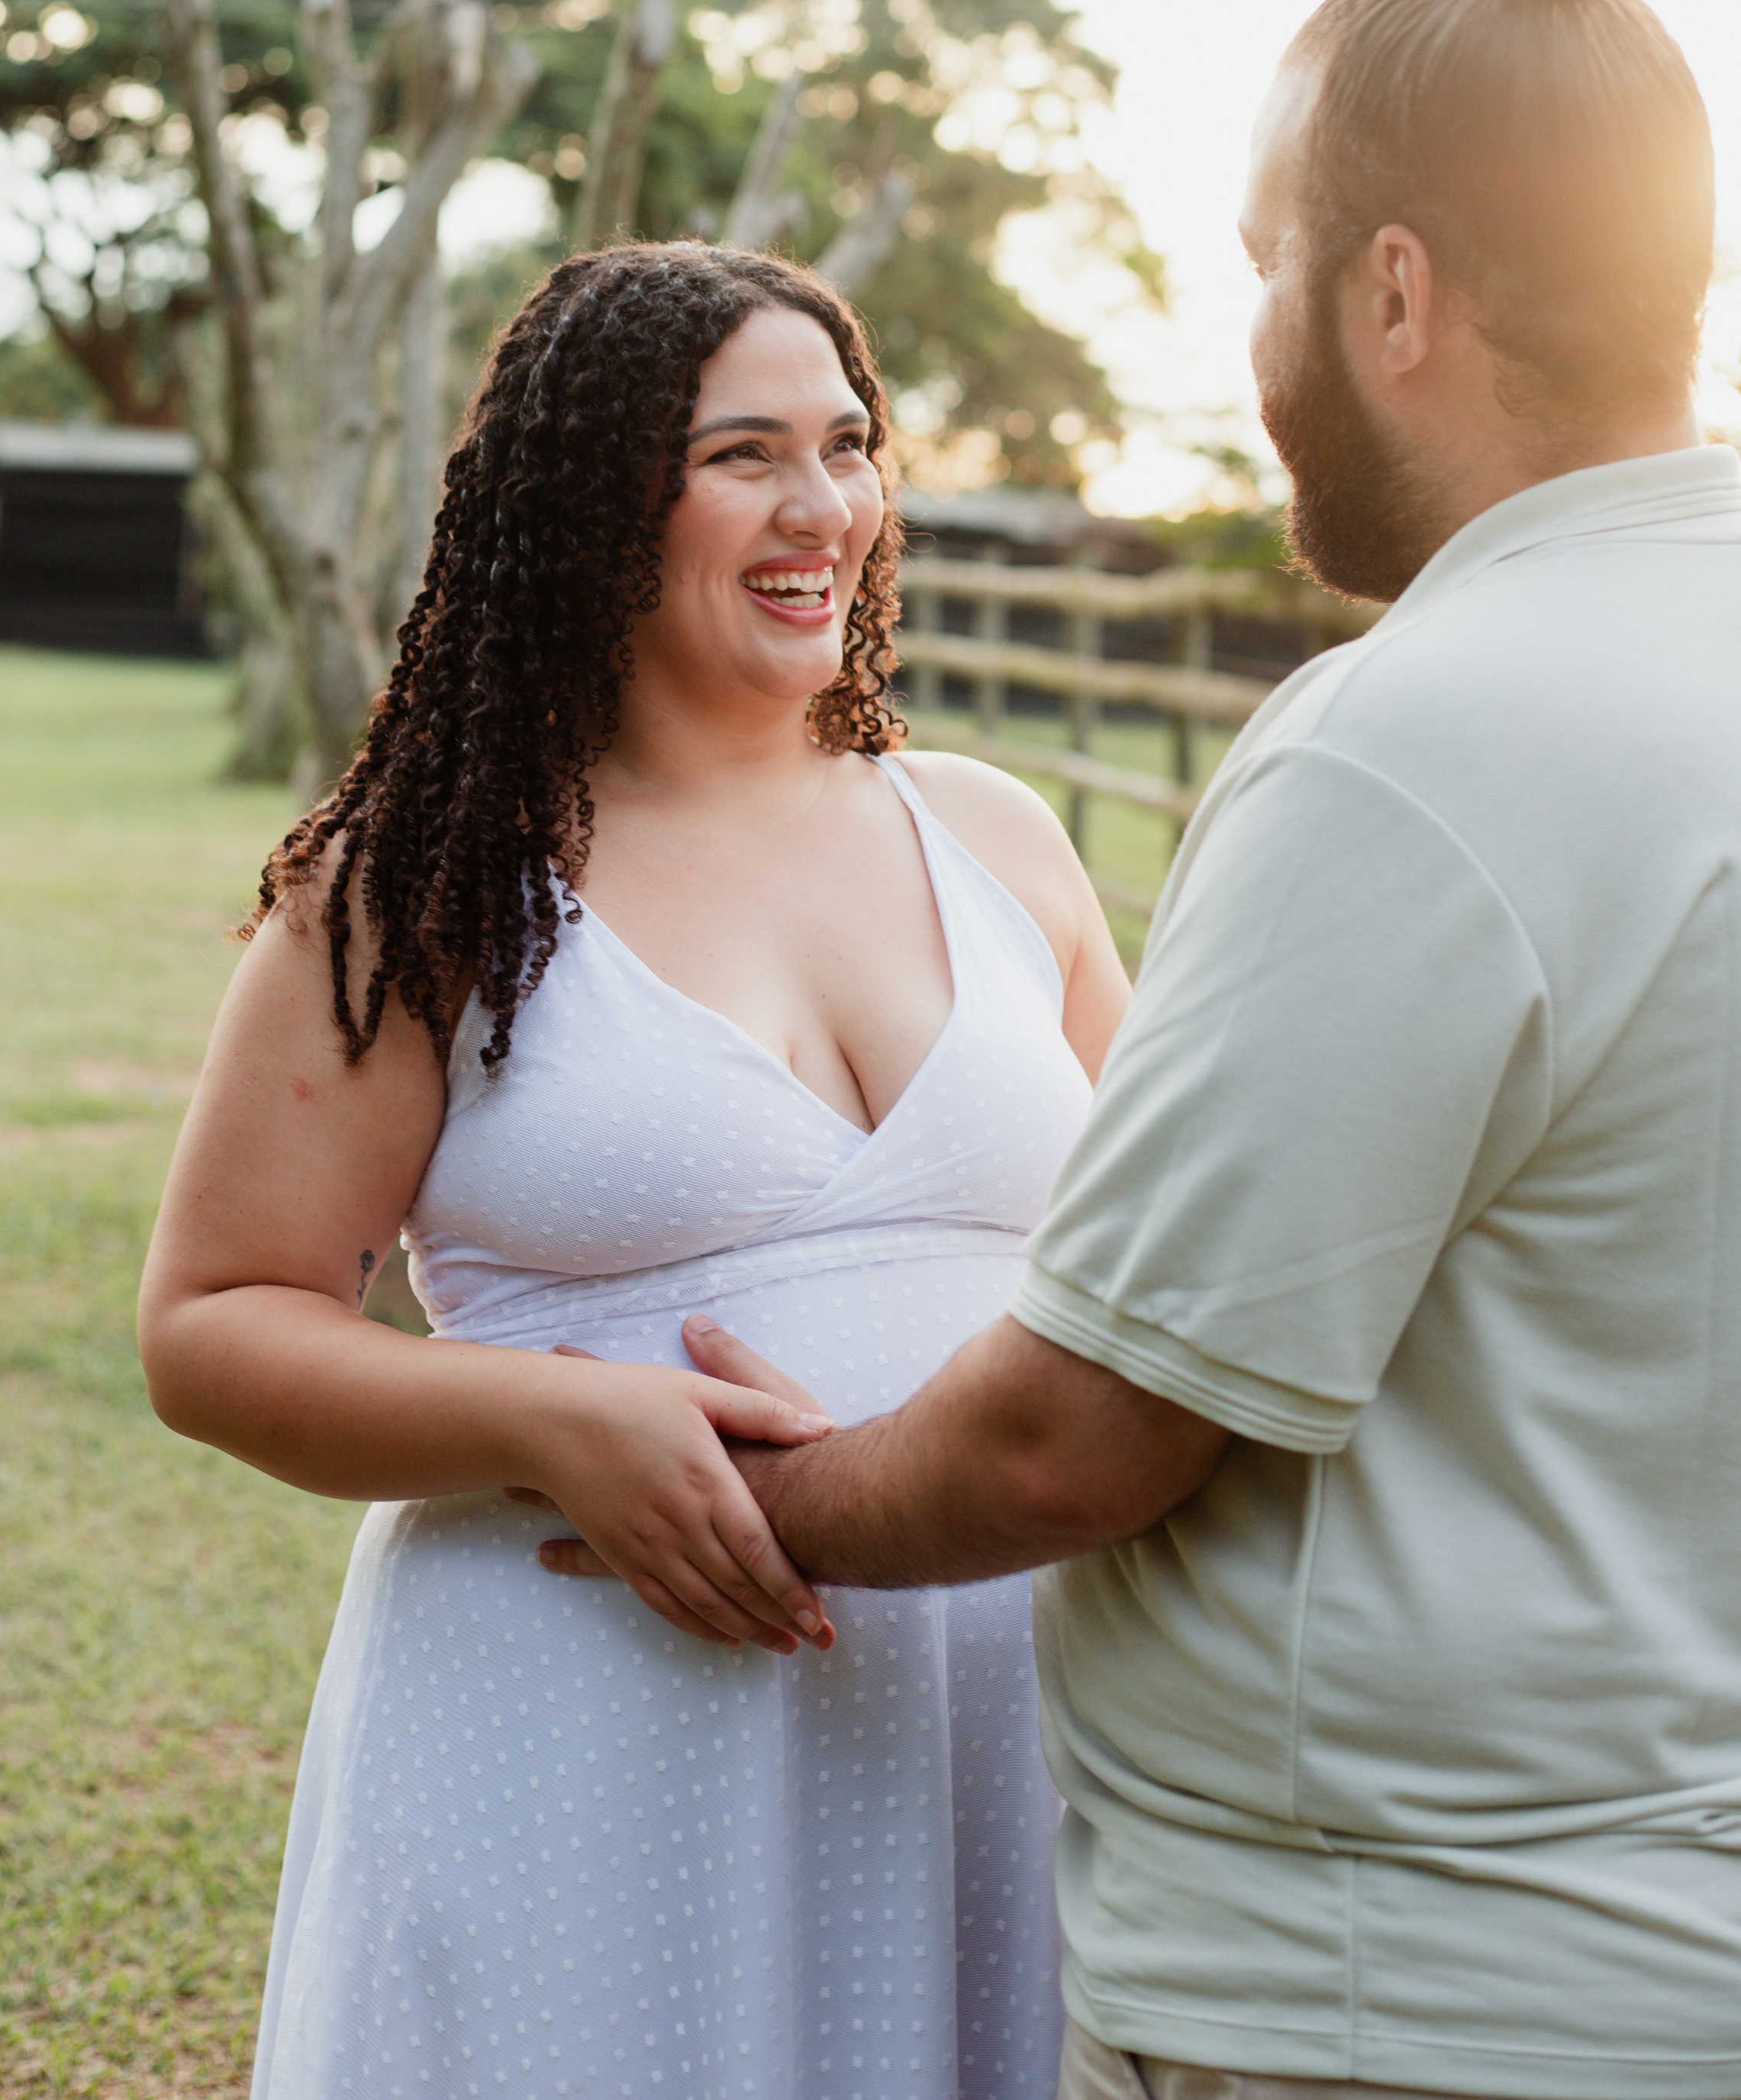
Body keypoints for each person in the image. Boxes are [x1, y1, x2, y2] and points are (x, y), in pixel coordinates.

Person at [583, 0, 1740, 2100]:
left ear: (1390, 291)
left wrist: (693, 1496)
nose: (1256, 337)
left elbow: (1076, 1440)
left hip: (1403, 1998)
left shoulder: (1418, 747)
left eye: (1259, 258)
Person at [137, 242, 1131, 2100]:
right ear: (595, 496)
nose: (820, 503)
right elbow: (211, 1323)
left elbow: (1162, 1261)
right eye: (743, 453)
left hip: (1004, 1715)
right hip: (594, 1723)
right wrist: (554, 1419)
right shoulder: (419, 881)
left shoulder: (997, 838)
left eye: (846, 445)